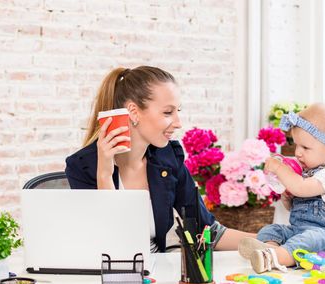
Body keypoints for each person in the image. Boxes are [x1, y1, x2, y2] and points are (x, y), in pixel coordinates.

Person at [65, 66, 254, 252]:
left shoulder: (168, 157)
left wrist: (271, 243)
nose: (178, 123)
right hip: (109, 274)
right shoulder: (83, 166)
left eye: (177, 111)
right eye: (167, 112)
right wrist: (105, 175)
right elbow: (111, 244)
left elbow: (206, 230)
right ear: (133, 111)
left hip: (157, 271)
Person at [238, 103, 325, 273]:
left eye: (305, 148)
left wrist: (280, 169)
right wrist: (287, 196)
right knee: (272, 229)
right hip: (299, 231)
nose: (298, 153)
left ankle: (272, 258)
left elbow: (300, 187)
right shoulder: (309, 174)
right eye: (296, 146)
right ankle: (268, 249)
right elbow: (292, 205)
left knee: (308, 239)